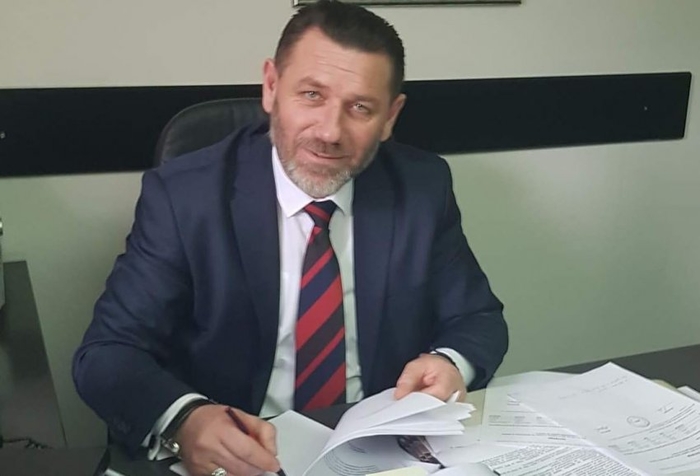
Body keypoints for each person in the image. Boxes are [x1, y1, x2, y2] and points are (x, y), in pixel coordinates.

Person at [73, 1, 508, 475]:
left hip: (378, 453)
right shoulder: (185, 196)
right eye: (312, 95)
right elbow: (108, 354)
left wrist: (449, 363)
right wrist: (185, 420)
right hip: (241, 455)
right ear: (271, 87)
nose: (330, 132)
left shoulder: (421, 187)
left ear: (390, 116)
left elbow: (478, 318)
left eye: (360, 107)